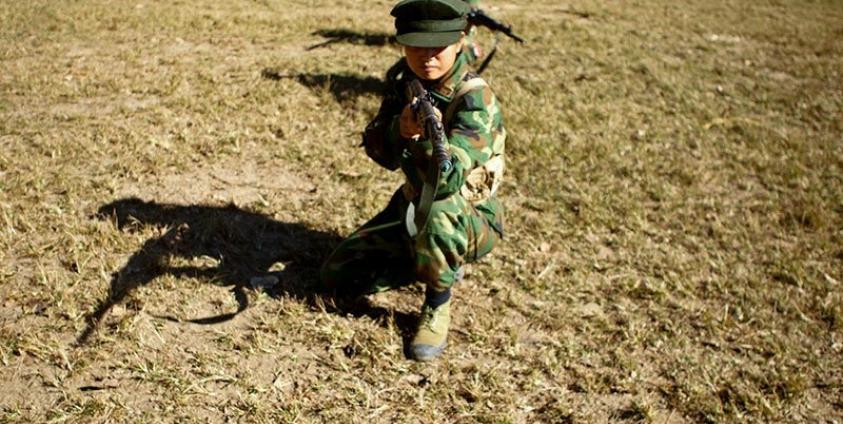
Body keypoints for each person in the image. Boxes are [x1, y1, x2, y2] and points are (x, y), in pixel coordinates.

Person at [320, 0, 506, 362]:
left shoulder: (474, 98)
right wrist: (400, 129)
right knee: (336, 277)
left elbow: (447, 181)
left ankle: (438, 299)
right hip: (411, 207)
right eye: (416, 46)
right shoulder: (405, 80)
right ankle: (428, 260)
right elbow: (380, 152)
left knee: (437, 207)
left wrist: (426, 142)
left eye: (438, 47)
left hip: (469, 218)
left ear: (460, 42)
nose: (427, 57)